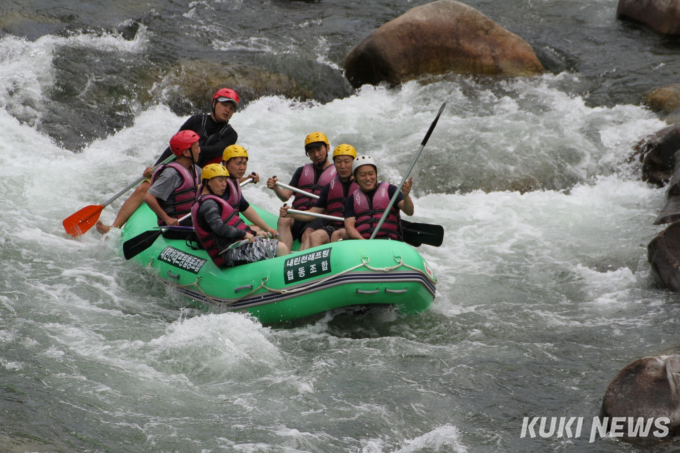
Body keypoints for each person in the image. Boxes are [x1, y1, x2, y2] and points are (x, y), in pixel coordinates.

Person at [96, 88, 256, 234]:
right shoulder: (196, 121)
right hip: (178, 167)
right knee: (142, 188)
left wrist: (190, 149)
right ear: (214, 103)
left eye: (232, 108)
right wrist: (157, 168)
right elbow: (175, 144)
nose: (228, 110)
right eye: (224, 105)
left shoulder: (230, 134)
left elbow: (216, 150)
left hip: (202, 176)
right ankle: (113, 228)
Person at [191, 164, 288, 267]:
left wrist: (254, 233)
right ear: (207, 182)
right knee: (281, 248)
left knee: (267, 238)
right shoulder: (208, 204)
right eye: (220, 180)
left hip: (235, 247)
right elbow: (219, 228)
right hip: (228, 254)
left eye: (225, 180)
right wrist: (243, 234)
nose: (224, 184)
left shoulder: (209, 201)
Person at [266, 132, 337, 251]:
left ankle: (298, 263)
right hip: (298, 215)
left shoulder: (337, 174)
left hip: (318, 217)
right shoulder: (301, 171)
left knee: (307, 234)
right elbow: (285, 196)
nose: (316, 154)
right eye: (311, 152)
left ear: (328, 148)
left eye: (319, 149)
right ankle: (283, 255)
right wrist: (276, 188)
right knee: (284, 219)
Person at [279, 144, 358, 248]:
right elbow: (313, 213)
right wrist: (291, 213)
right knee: (314, 236)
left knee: (337, 235)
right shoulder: (329, 188)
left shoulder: (361, 185)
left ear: (354, 163)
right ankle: (299, 262)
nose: (342, 166)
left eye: (347, 161)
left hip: (354, 227)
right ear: (335, 164)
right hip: (333, 227)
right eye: (338, 162)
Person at [344, 156, 414, 241]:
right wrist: (363, 241)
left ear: (376, 174)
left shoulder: (391, 190)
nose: (368, 178)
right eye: (362, 175)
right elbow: (349, 227)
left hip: (389, 241)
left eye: (371, 174)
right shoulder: (352, 199)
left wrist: (406, 196)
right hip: (364, 242)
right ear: (355, 177)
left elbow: (409, 211)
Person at [143, 130, 201, 227]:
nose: (199, 150)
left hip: (189, 219)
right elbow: (148, 197)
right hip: (176, 225)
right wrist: (167, 219)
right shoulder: (171, 174)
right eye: (196, 147)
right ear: (186, 152)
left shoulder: (194, 169)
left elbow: (211, 179)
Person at [221, 145, 279, 238]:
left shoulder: (233, 182)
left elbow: (245, 207)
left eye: (244, 163)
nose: (242, 167)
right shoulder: (219, 187)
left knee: (258, 228)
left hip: (230, 228)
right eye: (238, 163)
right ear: (225, 163)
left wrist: (268, 228)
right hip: (221, 233)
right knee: (257, 232)